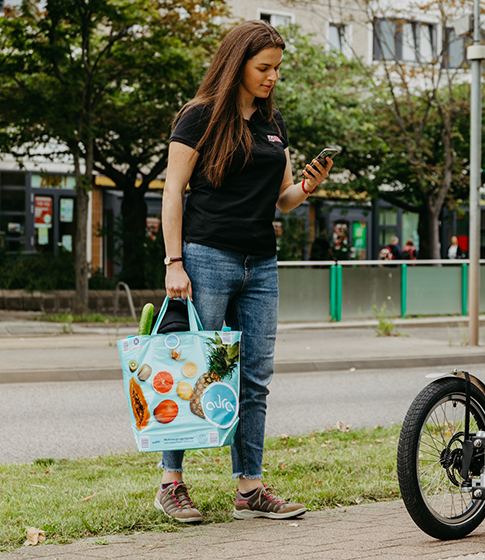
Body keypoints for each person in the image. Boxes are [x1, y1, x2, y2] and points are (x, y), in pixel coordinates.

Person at [160, 20, 333, 523]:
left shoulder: (272, 123)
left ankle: (250, 488)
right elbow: (172, 192)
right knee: (193, 370)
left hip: (260, 263)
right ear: (238, 65)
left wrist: (309, 185)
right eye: (264, 67)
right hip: (205, 257)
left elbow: (283, 199)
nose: (272, 76)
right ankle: (171, 483)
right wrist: (174, 262)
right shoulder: (198, 117)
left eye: (277, 68)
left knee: (254, 378)